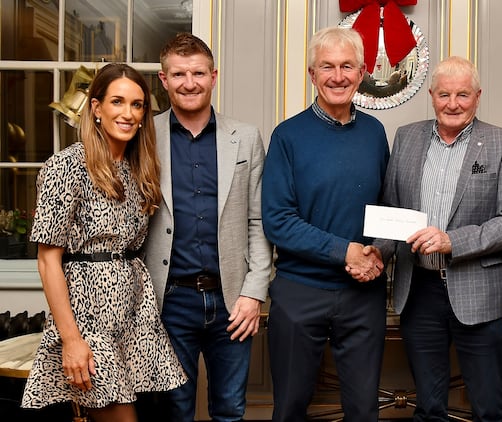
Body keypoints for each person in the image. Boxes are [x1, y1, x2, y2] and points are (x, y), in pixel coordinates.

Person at [20, 63, 186, 421]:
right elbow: (48, 260)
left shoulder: (138, 168)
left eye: (138, 104)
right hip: (88, 315)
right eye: (117, 102)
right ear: (96, 108)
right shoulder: (67, 166)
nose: (128, 113)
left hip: (135, 312)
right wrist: (71, 339)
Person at [376, 56, 502, 421]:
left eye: (463, 94)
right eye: (444, 94)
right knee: (428, 406)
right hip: (419, 290)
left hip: (478, 291)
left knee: (489, 407)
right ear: (431, 95)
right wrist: (374, 254)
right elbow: (392, 208)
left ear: (478, 96)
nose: (453, 103)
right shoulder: (407, 137)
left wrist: (452, 241)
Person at [261, 27, 390, 421]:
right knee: (290, 407)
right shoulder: (287, 136)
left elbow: (387, 206)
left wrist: (380, 250)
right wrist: (345, 250)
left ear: (363, 71)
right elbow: (278, 222)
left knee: (364, 410)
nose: (338, 76)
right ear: (312, 74)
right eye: (327, 67)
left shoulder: (375, 133)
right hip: (301, 292)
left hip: (363, 294)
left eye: (347, 66)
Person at [143, 33, 273, 422]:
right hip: (168, 302)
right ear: (164, 80)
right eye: (178, 74)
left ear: (214, 76)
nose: (189, 82)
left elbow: (258, 220)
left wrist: (253, 293)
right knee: (174, 410)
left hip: (232, 300)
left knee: (230, 409)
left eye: (198, 72)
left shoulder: (246, 138)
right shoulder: (143, 136)